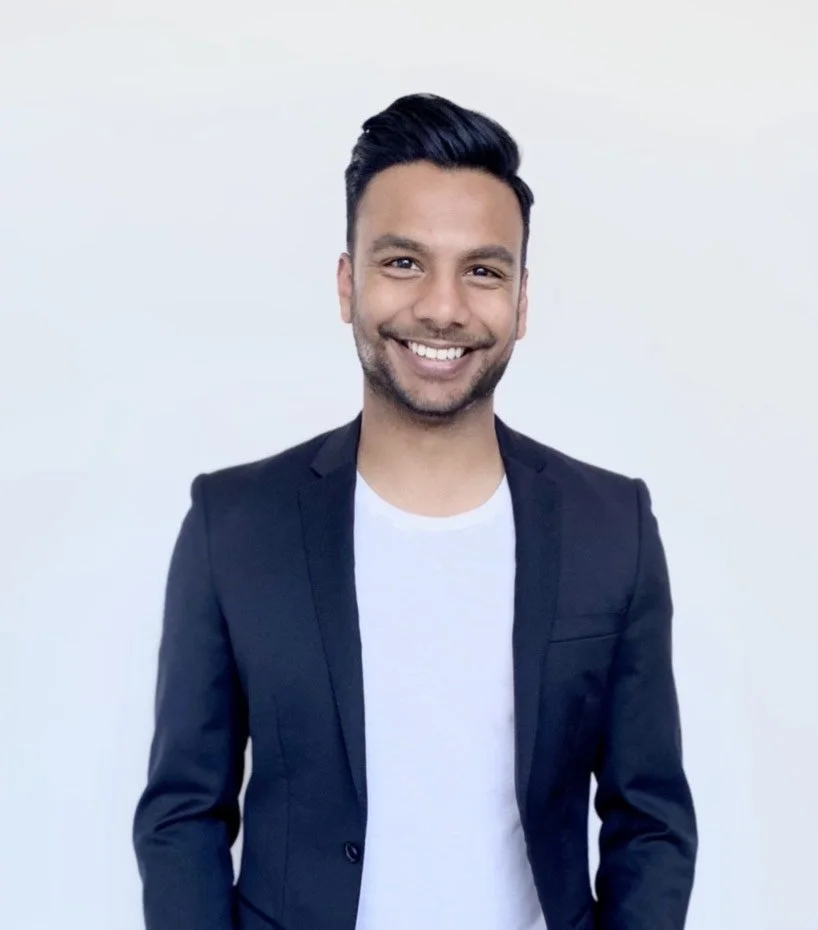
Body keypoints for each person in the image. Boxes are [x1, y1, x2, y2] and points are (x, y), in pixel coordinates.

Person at [133, 92, 697, 930]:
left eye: (482, 269)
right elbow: (184, 814)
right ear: (347, 283)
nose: (442, 307)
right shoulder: (233, 525)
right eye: (403, 262)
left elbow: (650, 822)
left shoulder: (612, 528)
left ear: (522, 300)